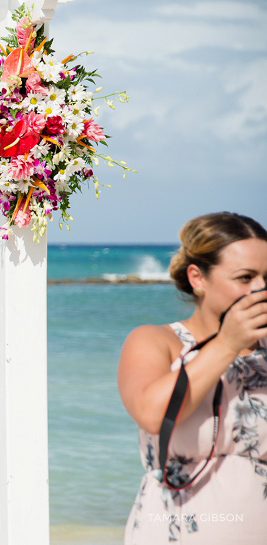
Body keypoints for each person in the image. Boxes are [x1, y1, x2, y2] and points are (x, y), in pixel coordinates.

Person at [118, 212, 267, 544]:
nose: (260, 289)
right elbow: (153, 414)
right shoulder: (155, 341)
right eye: (245, 278)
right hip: (177, 531)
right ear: (198, 278)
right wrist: (227, 344)